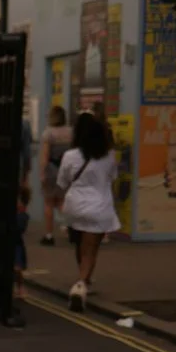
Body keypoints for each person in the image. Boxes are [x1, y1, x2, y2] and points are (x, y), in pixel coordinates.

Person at [57, 113, 120, 312]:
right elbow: (112, 179)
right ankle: (80, 285)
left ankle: (84, 280)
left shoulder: (70, 156)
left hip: (74, 207)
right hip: (98, 208)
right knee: (90, 250)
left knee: (80, 245)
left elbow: (62, 182)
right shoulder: (109, 156)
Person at [38, 105, 73, 245]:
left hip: (52, 170)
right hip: (66, 170)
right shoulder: (70, 132)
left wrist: (42, 173)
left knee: (49, 202)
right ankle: (70, 227)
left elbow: (45, 156)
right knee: (62, 201)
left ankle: (49, 235)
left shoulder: (48, 133)